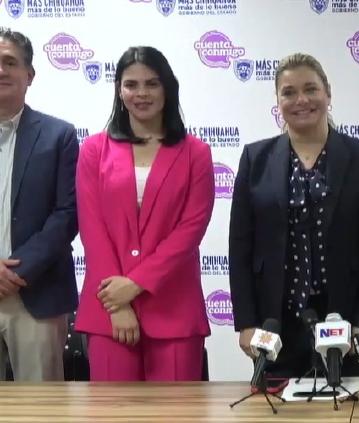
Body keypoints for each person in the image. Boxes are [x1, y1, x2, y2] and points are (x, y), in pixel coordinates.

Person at [228, 53, 359, 378]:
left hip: (346, 322)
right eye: (289, 92)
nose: (301, 100)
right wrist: (246, 323)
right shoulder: (255, 158)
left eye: (311, 89)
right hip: (277, 324)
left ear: (328, 93)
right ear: (278, 101)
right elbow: (240, 247)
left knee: (352, 403)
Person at [75, 46, 214, 381]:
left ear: (167, 88)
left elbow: (190, 230)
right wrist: (117, 302)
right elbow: (92, 229)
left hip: (174, 308)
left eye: (152, 83)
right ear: (119, 91)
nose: (141, 93)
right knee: (113, 408)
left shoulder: (196, 153)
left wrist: (136, 284)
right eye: (131, 84)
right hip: (109, 309)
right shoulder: (94, 150)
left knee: (175, 408)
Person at [0, 28, 78, 381]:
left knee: (41, 405)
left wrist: (17, 272)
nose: (1, 70)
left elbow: (67, 214)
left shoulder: (58, 135)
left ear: (29, 75)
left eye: (10, 62)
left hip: (37, 295)